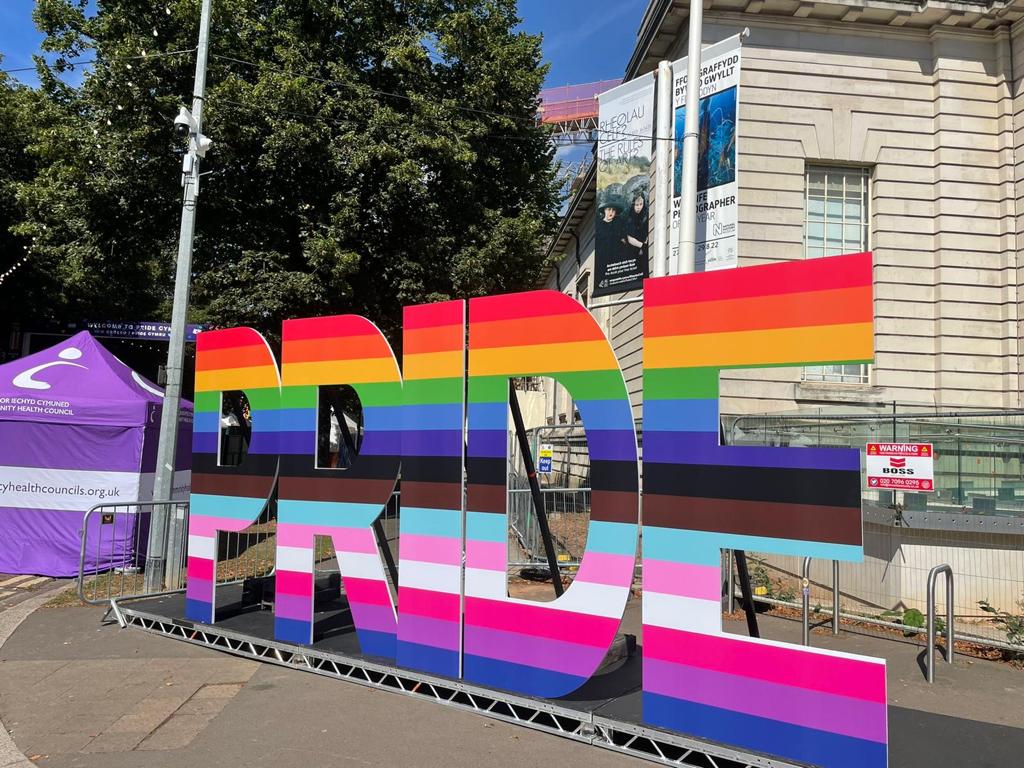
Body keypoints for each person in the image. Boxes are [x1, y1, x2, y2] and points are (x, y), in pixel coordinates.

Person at [623, 193, 648, 265]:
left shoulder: (646, 213)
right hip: (631, 252)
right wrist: (643, 246)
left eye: (641, 204)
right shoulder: (629, 217)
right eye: (637, 205)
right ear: (633, 205)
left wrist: (644, 244)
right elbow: (629, 238)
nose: (639, 207)